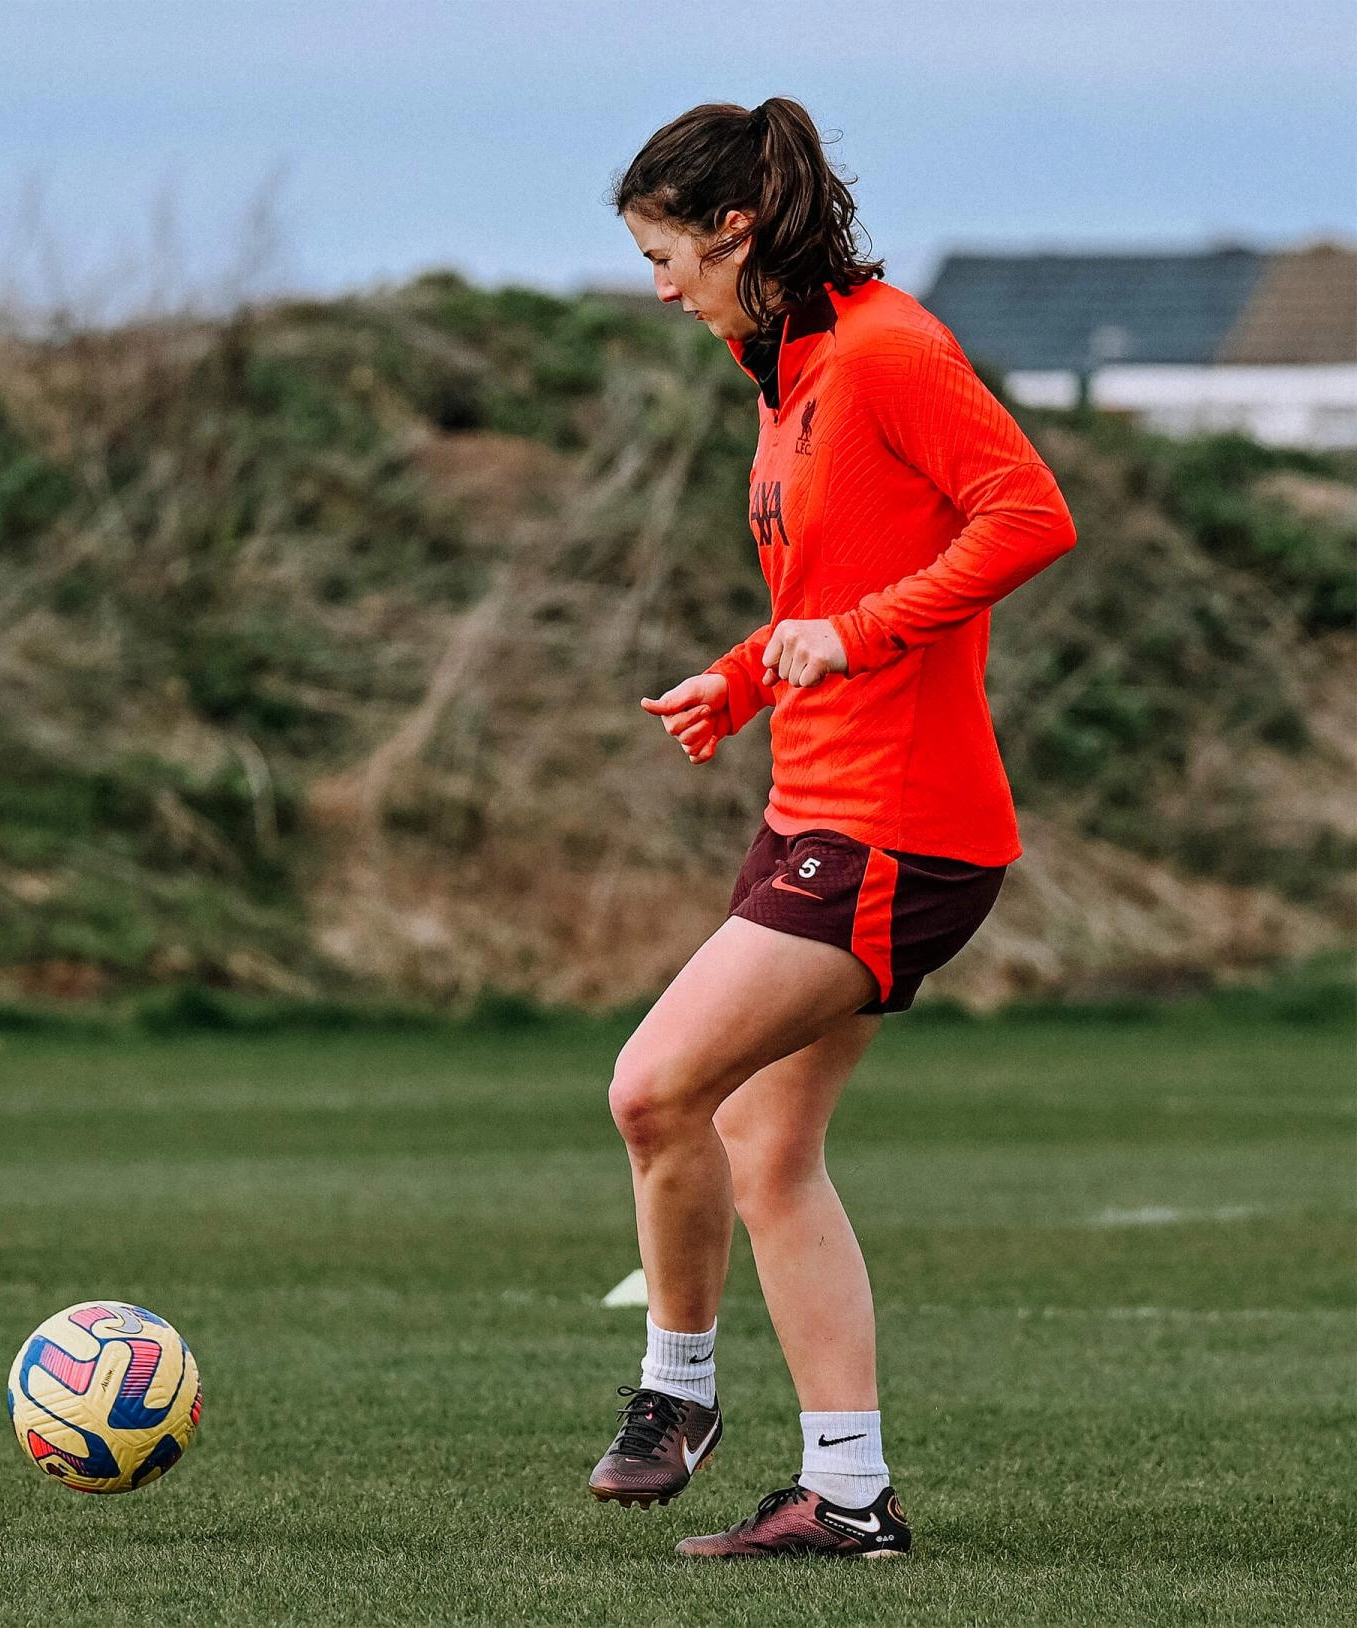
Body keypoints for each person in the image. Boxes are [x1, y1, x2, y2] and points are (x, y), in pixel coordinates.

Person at [588, 96, 1077, 1561]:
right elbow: (829, 591)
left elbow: (1028, 516)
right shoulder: (791, 370)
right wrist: (744, 678)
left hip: (896, 831)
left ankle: (677, 1391)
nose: (658, 287)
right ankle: (848, 1497)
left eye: (666, 254)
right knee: (762, 1141)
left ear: (736, 229)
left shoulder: (883, 353)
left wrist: (857, 636)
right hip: (819, 810)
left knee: (655, 1090)